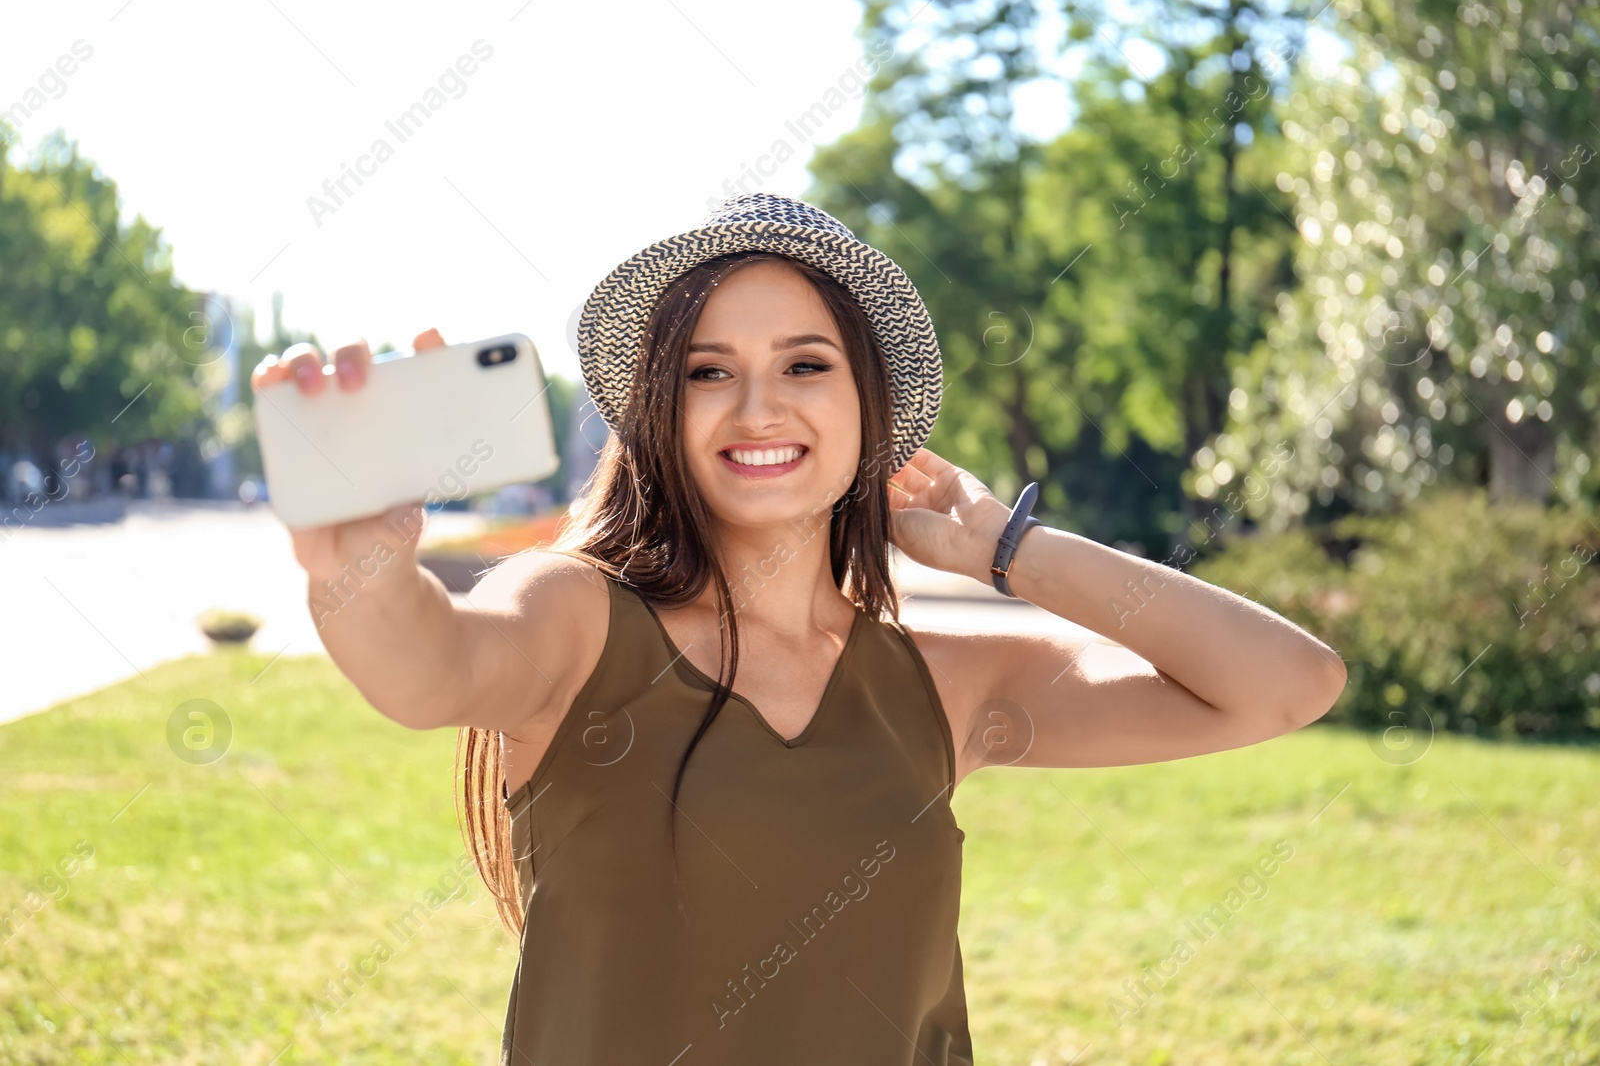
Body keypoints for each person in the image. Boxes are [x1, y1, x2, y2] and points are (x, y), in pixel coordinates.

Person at [250, 193, 1347, 1065]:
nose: (757, 407)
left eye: (805, 365)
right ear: (657, 415)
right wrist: (361, 573)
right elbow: (430, 673)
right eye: (707, 372)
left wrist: (1003, 548)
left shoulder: (942, 686)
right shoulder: (577, 616)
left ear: (870, 406)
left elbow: (1284, 684)